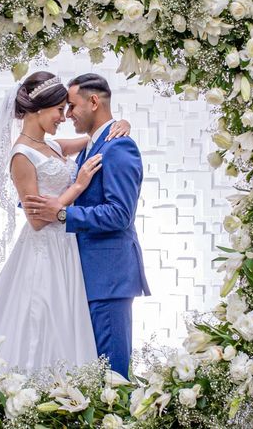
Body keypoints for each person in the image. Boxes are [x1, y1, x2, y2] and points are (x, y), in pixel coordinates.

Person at [0, 71, 132, 372]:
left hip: (68, 250)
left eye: (67, 108)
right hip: (44, 250)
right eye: (59, 109)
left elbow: (94, 139)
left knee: (67, 325)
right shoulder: (21, 156)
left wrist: (121, 124)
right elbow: (36, 220)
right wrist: (77, 187)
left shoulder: (53, 146)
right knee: (39, 320)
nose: (63, 117)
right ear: (39, 109)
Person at [24, 73, 150, 378]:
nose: (67, 115)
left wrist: (63, 214)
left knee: (112, 377)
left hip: (108, 278)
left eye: (71, 106)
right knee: (89, 375)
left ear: (94, 102)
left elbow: (120, 214)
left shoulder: (119, 147)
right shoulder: (92, 145)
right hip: (83, 275)